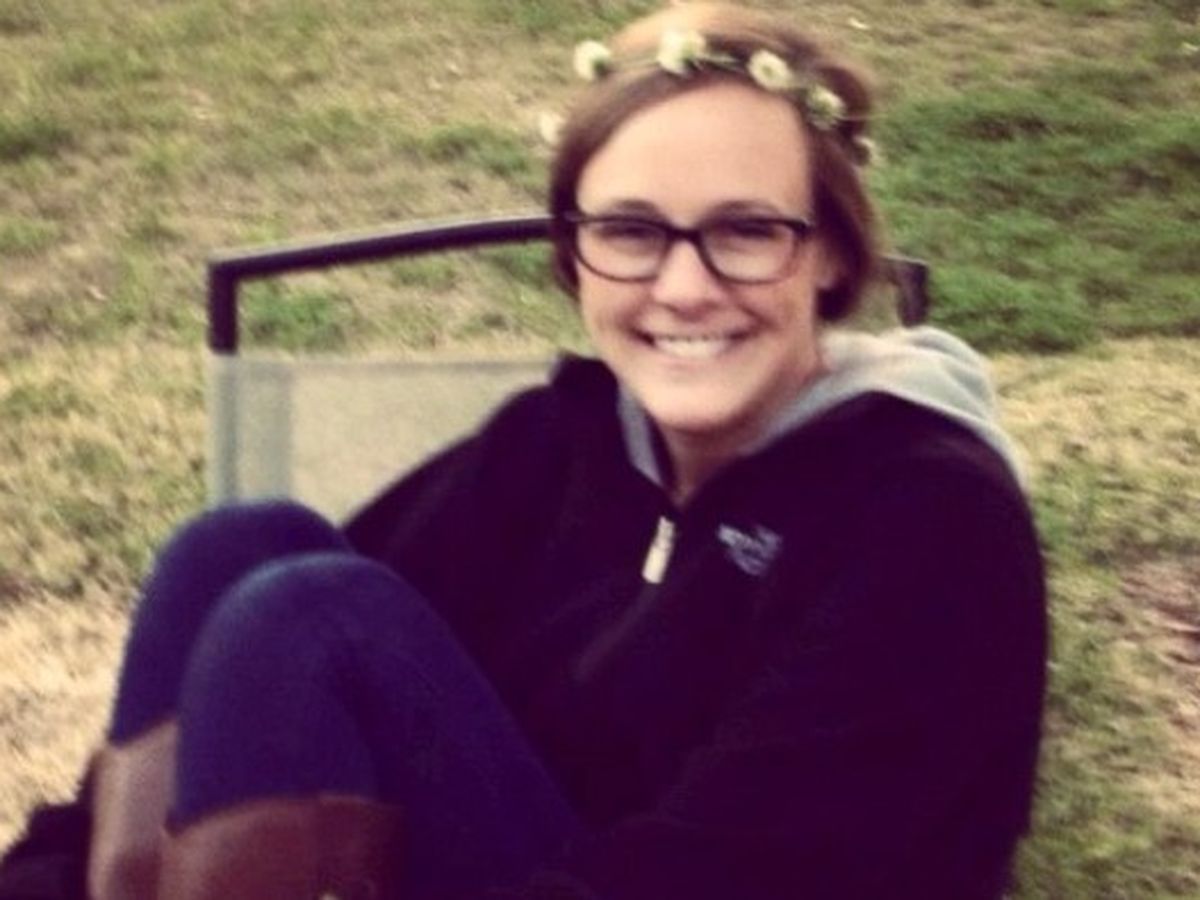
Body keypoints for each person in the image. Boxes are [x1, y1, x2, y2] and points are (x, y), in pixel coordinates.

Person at [0, 3, 1046, 898]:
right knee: (242, 548)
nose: (684, 287)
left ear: (830, 254)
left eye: (746, 230)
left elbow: (738, 866)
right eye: (631, 231)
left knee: (309, 610)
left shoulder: (927, 517)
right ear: (574, 254)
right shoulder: (560, 444)